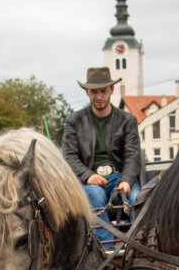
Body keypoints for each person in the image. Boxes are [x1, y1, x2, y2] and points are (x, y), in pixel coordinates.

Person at [61, 66, 142, 246]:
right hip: (87, 180)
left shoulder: (127, 120)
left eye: (103, 91)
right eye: (94, 92)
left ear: (111, 90)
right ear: (87, 92)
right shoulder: (74, 121)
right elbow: (69, 156)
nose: (99, 96)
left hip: (118, 177)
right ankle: (108, 249)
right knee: (95, 195)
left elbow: (132, 154)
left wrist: (127, 180)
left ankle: (139, 247)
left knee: (137, 198)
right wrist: (88, 176)